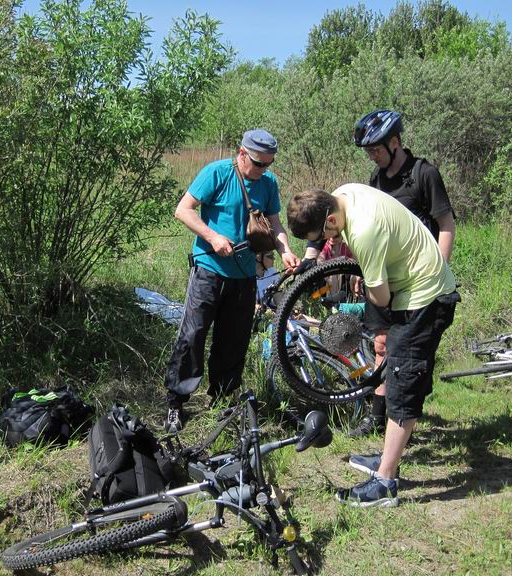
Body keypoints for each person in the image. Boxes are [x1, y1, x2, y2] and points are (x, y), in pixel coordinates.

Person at [287, 184, 460, 507]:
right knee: (396, 373)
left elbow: (381, 298)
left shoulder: (364, 231)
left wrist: (365, 281)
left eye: (323, 237)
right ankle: (387, 457)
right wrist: (312, 260)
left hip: (425, 299)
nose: (326, 244)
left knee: (402, 383)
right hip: (416, 286)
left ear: (330, 223)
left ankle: (385, 482)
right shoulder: (342, 195)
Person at [302, 109, 457, 437]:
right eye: (367, 151)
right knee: (381, 346)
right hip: (383, 275)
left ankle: (397, 412)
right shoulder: (375, 181)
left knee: (399, 348)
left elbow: (445, 225)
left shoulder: (423, 174)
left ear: (395, 142)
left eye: (375, 149)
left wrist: (440, 267)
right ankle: (380, 414)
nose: (372, 156)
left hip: (417, 276)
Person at [164, 129, 300, 433]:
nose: (263, 170)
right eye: (258, 163)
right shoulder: (216, 173)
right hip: (208, 270)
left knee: (233, 341)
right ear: (241, 153)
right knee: (193, 335)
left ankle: (222, 402)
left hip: (244, 275)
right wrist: (213, 237)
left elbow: (275, 223)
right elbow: (183, 210)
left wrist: (286, 250)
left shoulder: (268, 183)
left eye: (268, 164)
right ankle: (176, 402)